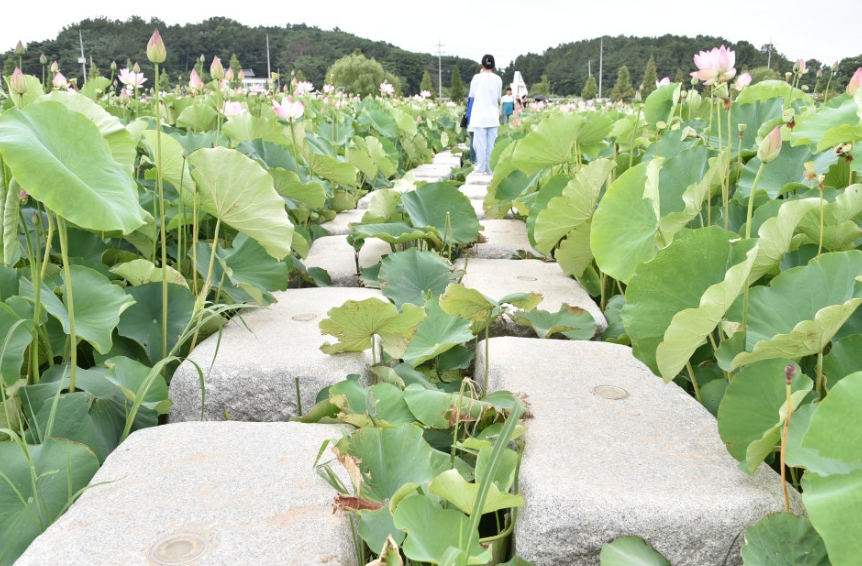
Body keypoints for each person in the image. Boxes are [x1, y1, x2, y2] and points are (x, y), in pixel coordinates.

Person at [467, 54, 502, 175]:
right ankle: (490, 169)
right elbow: (498, 96)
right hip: (493, 116)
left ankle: (481, 168)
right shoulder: (498, 79)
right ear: (494, 66)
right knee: (491, 144)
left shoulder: (476, 78)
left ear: (482, 65)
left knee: (480, 144)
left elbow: (471, 94)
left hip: (479, 116)